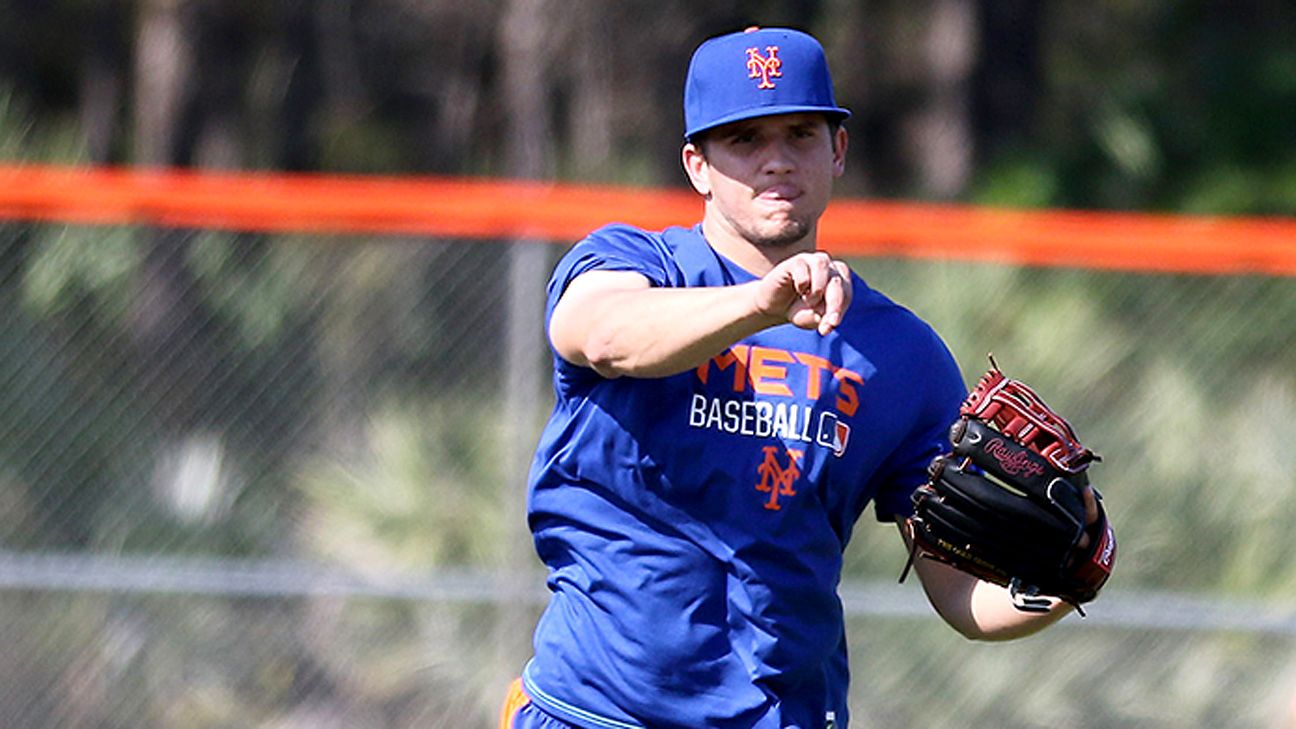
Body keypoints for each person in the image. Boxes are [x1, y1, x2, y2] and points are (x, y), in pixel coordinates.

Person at [500, 26, 1096, 729]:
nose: (776, 160)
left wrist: (1073, 564)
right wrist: (761, 302)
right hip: (593, 712)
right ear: (698, 165)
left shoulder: (898, 353)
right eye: (745, 140)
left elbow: (962, 596)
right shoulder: (635, 266)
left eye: (800, 134)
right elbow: (598, 335)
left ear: (837, 150)